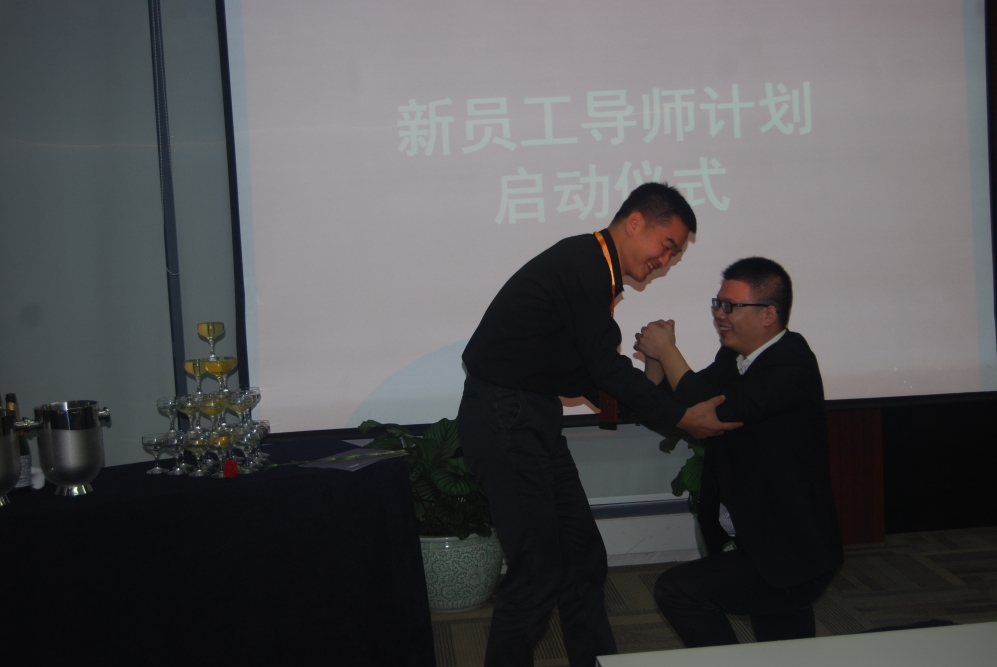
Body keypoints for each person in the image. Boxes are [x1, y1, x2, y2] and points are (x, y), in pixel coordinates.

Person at [458, 182, 742, 667]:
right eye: (666, 246)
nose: (665, 262)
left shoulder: (591, 270)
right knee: (537, 570)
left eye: (674, 256)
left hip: (529, 416)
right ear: (635, 222)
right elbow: (604, 371)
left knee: (581, 556)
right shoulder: (584, 266)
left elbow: (594, 381)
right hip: (507, 417)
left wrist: (654, 379)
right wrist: (679, 416)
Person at [634, 256, 843, 648]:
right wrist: (655, 360)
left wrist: (669, 350)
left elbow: (713, 410)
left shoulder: (791, 363)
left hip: (793, 552)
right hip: (762, 540)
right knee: (785, 645)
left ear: (768, 314)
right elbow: (682, 409)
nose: (719, 314)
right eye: (718, 303)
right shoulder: (733, 358)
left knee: (678, 591)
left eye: (731, 306)